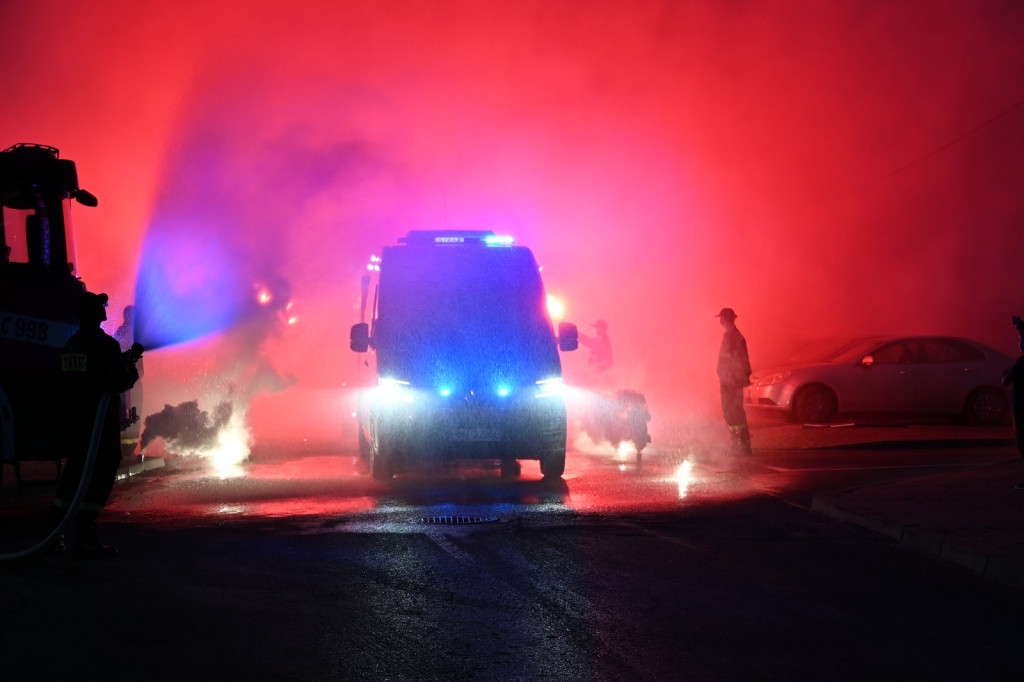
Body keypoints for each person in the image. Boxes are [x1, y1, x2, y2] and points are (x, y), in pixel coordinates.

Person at [51, 292, 142, 557]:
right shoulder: (105, 345)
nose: (105, 308)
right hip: (98, 426)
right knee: (100, 474)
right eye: (100, 305)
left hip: (74, 422)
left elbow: (89, 376)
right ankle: (87, 540)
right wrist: (131, 369)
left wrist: (125, 360)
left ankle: (55, 536)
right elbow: (118, 381)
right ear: (95, 313)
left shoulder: (72, 343)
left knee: (73, 476)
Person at [716, 307, 752, 456]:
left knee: (733, 412)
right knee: (733, 412)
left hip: (731, 380)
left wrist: (730, 376)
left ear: (725, 319)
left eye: (721, 318)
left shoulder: (732, 336)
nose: (720, 321)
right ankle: (739, 444)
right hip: (731, 379)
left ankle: (741, 445)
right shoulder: (735, 336)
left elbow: (736, 360)